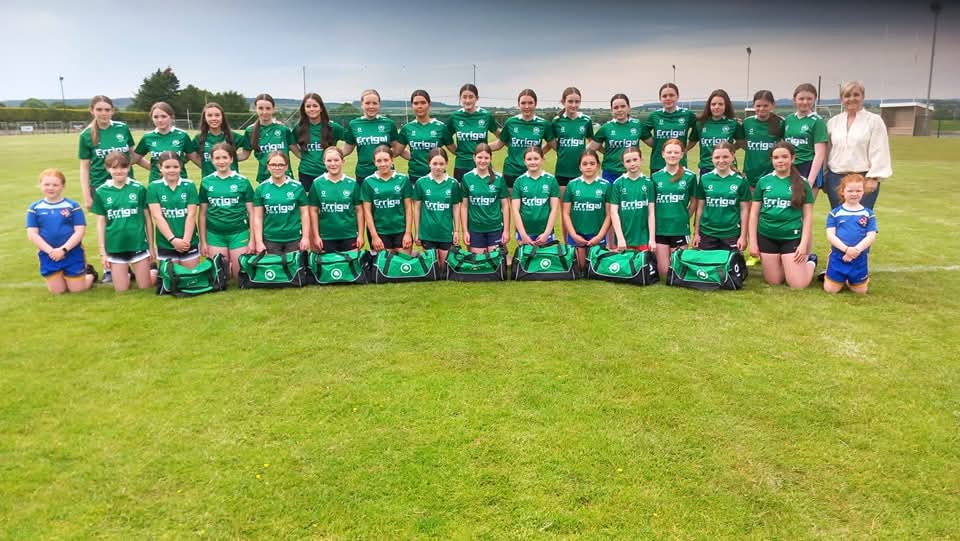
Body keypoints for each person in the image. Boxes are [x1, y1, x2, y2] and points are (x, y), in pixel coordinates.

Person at [748, 142, 817, 288]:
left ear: (792, 158)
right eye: (776, 157)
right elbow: (754, 214)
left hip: (791, 237)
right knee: (774, 281)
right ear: (771, 160)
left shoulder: (802, 183)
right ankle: (786, 263)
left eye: (784, 157)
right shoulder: (764, 181)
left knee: (798, 284)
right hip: (767, 235)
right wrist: (753, 243)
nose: (780, 161)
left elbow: (807, 216)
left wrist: (804, 244)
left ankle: (811, 261)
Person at [91, 152, 155, 292]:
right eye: (114, 168)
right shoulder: (101, 191)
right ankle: (127, 274)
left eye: (123, 167)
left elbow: (148, 219)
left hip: (137, 243)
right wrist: (103, 252)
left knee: (145, 287)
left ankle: (153, 272)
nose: (119, 171)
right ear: (107, 169)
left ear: (129, 168)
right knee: (121, 290)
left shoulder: (138, 188)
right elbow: (101, 223)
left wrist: (151, 246)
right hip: (115, 245)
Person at [26, 168, 95, 293]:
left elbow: (80, 231)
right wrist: (51, 251)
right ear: (40, 185)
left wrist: (63, 249)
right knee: (58, 291)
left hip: (71, 251)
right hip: (49, 254)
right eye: (46, 184)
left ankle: (90, 275)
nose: (51, 188)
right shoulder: (35, 208)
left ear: (63, 186)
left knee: (77, 290)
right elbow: (32, 234)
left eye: (55, 185)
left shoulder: (72, 206)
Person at [825, 81, 892, 210]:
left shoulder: (874, 121)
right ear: (841, 99)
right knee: (839, 218)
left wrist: (873, 178)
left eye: (856, 95)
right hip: (836, 179)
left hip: (863, 179)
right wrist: (825, 177)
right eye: (847, 95)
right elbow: (827, 151)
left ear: (863, 97)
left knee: (860, 219)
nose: (851, 99)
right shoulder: (833, 122)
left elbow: (880, 150)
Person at [78, 95, 146, 211]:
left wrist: (155, 168)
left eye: (107, 110)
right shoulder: (86, 135)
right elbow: (84, 168)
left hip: (126, 183)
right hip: (100, 186)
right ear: (92, 110)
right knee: (108, 221)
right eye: (99, 109)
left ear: (112, 111)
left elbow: (134, 156)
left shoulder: (122, 128)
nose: (104, 113)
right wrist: (87, 196)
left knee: (131, 217)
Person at [199, 143, 255, 280]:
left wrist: (252, 240)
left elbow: (252, 213)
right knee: (220, 277)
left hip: (239, 232)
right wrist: (203, 241)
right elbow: (202, 214)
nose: (221, 161)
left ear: (231, 159)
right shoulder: (206, 182)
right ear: (212, 160)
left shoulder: (242, 181)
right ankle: (227, 264)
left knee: (239, 276)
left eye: (225, 157)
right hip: (215, 234)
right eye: (217, 158)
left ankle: (231, 264)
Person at [489, 89, 555, 190]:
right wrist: (478, 149)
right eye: (523, 103)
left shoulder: (543, 124)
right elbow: (499, 144)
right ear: (518, 104)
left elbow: (552, 144)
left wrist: (539, 153)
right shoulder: (511, 122)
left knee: (531, 199)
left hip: (532, 171)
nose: (527, 106)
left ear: (535, 104)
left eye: (530, 103)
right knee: (511, 200)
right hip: (511, 171)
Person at [823, 174, 878, 294]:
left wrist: (856, 250)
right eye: (850, 191)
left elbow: (871, 236)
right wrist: (846, 249)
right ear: (842, 192)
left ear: (863, 191)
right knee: (831, 290)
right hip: (839, 255)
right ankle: (835, 276)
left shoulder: (869, 214)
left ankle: (852, 280)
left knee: (860, 292)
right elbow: (830, 235)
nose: (854, 194)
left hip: (859, 256)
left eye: (858, 190)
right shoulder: (835, 213)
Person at [693, 142, 751, 252]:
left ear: (733, 157)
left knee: (730, 263)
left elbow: (744, 210)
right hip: (707, 232)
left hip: (731, 233)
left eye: (725, 157)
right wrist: (696, 233)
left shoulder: (741, 181)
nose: (721, 160)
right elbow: (700, 208)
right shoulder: (705, 179)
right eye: (717, 157)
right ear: (712, 158)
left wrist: (743, 236)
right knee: (708, 263)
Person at [147, 152, 200, 269]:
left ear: (181, 167)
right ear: (160, 168)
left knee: (190, 277)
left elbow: (191, 215)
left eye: (175, 167)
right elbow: (157, 217)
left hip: (188, 240)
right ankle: (154, 271)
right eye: (167, 167)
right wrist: (173, 240)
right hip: (166, 242)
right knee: (170, 277)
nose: (171, 170)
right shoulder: (153, 187)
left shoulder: (189, 185)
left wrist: (186, 241)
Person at [651, 139, 696, 276]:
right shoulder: (655, 177)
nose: (672, 155)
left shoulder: (690, 176)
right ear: (663, 154)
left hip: (679, 227)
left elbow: (694, 202)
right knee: (664, 272)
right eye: (669, 152)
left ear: (682, 154)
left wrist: (684, 216)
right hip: (661, 228)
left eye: (676, 152)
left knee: (677, 271)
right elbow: (651, 205)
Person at [252, 151, 310, 255]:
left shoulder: (297, 187)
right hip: (270, 239)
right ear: (268, 166)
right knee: (273, 265)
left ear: (286, 166)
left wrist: (305, 237)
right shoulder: (261, 188)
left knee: (294, 265)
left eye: (281, 165)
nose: (277, 168)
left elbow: (305, 214)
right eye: (273, 165)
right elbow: (258, 217)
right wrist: (259, 242)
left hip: (294, 238)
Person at [307, 147, 364, 253]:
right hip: (326, 236)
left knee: (351, 263)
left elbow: (359, 210)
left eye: (336, 160)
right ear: (324, 162)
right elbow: (313, 211)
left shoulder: (352, 183)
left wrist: (360, 235)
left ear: (343, 161)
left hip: (349, 235)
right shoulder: (317, 183)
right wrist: (316, 236)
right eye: (329, 160)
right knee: (328, 263)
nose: (333, 164)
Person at [561, 149, 610, 272]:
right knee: (580, 268)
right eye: (585, 164)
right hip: (577, 235)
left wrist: (600, 236)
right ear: (580, 167)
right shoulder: (572, 185)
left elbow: (609, 215)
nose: (588, 167)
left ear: (598, 165)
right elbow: (565, 213)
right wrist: (573, 235)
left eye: (592, 163)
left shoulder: (606, 185)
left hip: (597, 235)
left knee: (596, 269)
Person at [413, 148, 462, 268]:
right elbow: (417, 208)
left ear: (446, 163)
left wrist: (456, 231)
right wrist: (417, 232)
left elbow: (456, 207)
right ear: (429, 163)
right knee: (432, 267)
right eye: (434, 163)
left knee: (444, 267)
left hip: (446, 232)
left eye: (441, 164)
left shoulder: (453, 183)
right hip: (427, 233)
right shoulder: (421, 183)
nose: (438, 167)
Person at [360, 145, 413, 254]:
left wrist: (408, 233)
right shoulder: (368, 182)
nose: (383, 164)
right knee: (384, 264)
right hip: (380, 233)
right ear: (374, 162)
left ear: (392, 160)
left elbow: (408, 208)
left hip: (401, 231)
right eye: (379, 161)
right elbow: (367, 212)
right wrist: (374, 236)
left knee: (404, 263)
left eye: (386, 160)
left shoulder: (403, 179)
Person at [342, 89, 401, 182]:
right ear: (362, 104)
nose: (371, 106)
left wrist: (385, 160)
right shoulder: (354, 124)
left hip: (386, 172)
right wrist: (331, 156)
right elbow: (347, 149)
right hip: (363, 173)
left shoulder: (389, 123)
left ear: (379, 104)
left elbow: (397, 148)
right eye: (367, 103)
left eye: (374, 103)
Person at [460, 143, 510, 254]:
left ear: (491, 158)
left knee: (495, 260)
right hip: (475, 229)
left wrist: (506, 230)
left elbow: (505, 205)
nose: (483, 161)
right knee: (479, 262)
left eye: (486, 158)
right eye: (480, 157)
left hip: (495, 227)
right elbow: (464, 206)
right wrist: (465, 231)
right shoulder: (467, 178)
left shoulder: (498, 178)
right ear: (474, 157)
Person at [641, 83, 699, 174]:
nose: (668, 98)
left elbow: (697, 131)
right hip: (658, 164)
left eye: (671, 95)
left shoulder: (687, 114)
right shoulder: (654, 116)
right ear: (660, 98)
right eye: (664, 96)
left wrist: (685, 148)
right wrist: (657, 145)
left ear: (677, 96)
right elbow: (644, 132)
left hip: (679, 163)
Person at [398, 89, 454, 182]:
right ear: (412, 105)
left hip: (437, 176)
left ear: (429, 104)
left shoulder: (441, 127)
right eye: (416, 103)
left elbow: (455, 150)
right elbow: (398, 151)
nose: (419, 106)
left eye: (423, 103)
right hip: (415, 176)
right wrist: (414, 157)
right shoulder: (407, 128)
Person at [446, 84, 500, 182]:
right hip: (461, 166)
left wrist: (485, 149)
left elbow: (501, 137)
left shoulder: (486, 116)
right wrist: (459, 152)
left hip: (483, 164)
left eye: (471, 97)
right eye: (464, 97)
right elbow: (447, 139)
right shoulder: (455, 117)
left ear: (477, 98)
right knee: (462, 192)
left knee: (484, 191)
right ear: (460, 98)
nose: (467, 100)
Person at [242, 94, 300, 183]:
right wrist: (221, 158)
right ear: (255, 109)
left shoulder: (283, 129)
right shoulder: (250, 131)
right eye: (260, 108)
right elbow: (244, 155)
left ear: (273, 109)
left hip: (285, 177)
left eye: (268, 108)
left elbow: (298, 153)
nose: (264, 112)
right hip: (264, 178)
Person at [782, 83, 828, 197]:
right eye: (801, 99)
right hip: (791, 167)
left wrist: (810, 181)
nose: (805, 102)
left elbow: (820, 154)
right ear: (794, 99)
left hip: (808, 167)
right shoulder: (789, 119)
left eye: (809, 99)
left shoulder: (817, 121)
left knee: (805, 206)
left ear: (814, 100)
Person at [134, 101, 198, 181]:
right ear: (152, 118)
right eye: (155, 117)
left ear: (171, 117)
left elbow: (193, 157)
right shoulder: (147, 137)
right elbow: (135, 159)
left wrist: (177, 164)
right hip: (156, 181)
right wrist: (153, 168)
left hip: (180, 181)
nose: (160, 120)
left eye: (163, 116)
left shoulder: (182, 135)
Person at [608, 147, 656, 252]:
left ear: (641, 160)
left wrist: (652, 239)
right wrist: (620, 238)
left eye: (635, 160)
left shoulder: (648, 183)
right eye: (628, 161)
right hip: (624, 239)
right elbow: (614, 212)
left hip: (643, 238)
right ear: (623, 163)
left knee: (643, 262)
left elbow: (651, 213)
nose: (632, 164)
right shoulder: (618, 183)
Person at [296, 93, 346, 194]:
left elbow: (351, 140)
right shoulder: (299, 128)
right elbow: (291, 143)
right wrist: (301, 156)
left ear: (321, 108)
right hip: (306, 173)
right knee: (309, 202)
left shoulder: (333, 127)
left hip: (328, 172)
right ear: (304, 109)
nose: (312, 109)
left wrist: (338, 156)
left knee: (328, 200)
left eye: (315, 106)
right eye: (308, 106)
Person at [511, 145, 560, 245]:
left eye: (536, 159)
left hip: (545, 232)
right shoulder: (519, 181)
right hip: (525, 232)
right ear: (524, 161)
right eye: (529, 159)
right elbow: (515, 210)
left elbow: (554, 209)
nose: (533, 162)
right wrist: (523, 234)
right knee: (526, 255)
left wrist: (546, 233)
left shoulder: (551, 180)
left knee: (545, 255)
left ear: (542, 160)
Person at [589, 93, 643, 184]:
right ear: (612, 110)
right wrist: (605, 151)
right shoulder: (606, 128)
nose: (619, 110)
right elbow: (591, 148)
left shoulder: (638, 125)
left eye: (623, 106)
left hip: (631, 172)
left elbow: (653, 143)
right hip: (610, 173)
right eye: (616, 107)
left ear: (629, 107)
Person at [551, 87, 594, 192]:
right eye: (570, 101)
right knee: (563, 202)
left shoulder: (586, 120)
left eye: (577, 102)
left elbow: (592, 141)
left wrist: (585, 152)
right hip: (562, 171)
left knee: (581, 202)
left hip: (581, 170)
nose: (574, 105)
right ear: (563, 102)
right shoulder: (556, 121)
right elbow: (551, 142)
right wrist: (561, 150)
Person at [694, 89, 744, 176]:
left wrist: (727, 149)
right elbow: (692, 141)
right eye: (713, 104)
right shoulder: (700, 123)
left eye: (720, 104)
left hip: (728, 166)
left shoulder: (733, 123)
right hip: (707, 167)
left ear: (726, 106)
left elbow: (741, 143)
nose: (717, 107)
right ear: (709, 106)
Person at [192, 102, 248, 179]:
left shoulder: (233, 136)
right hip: (210, 181)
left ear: (222, 117)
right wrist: (205, 166)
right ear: (204, 118)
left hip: (232, 180)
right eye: (209, 115)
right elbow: (191, 155)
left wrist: (230, 158)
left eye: (217, 115)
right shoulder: (199, 138)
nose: (214, 118)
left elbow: (246, 153)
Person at [742, 90, 783, 190]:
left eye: (765, 106)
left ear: (772, 105)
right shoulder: (747, 123)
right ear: (753, 105)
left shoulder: (780, 123)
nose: (761, 108)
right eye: (758, 106)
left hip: (772, 175)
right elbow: (740, 143)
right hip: (750, 175)